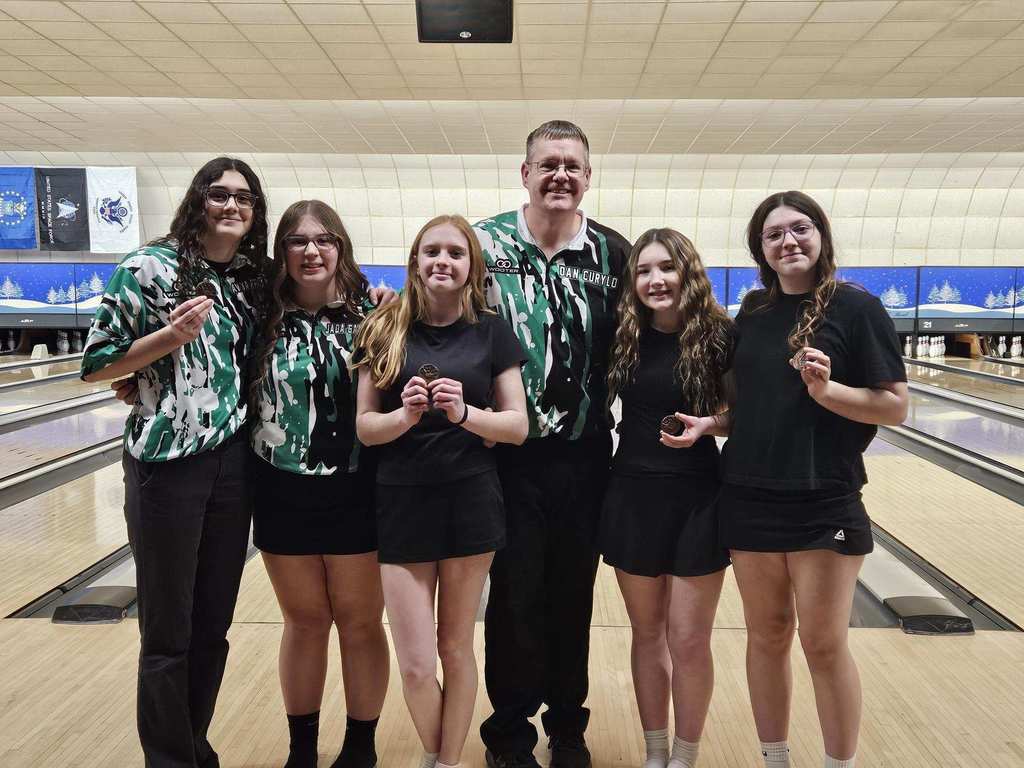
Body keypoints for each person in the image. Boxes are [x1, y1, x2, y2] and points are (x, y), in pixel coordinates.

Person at [675, 191, 908, 768]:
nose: (788, 241)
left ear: (820, 234)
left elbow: (894, 406)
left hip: (822, 498)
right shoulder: (752, 314)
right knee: (768, 635)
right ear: (761, 249)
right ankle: (774, 758)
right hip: (749, 496)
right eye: (773, 234)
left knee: (824, 644)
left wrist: (828, 392)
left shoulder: (856, 310)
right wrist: (714, 424)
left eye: (799, 228)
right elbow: (749, 407)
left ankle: (838, 763)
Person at [81, 157, 270, 768]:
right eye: (219, 194)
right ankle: (169, 759)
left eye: (244, 197)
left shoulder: (253, 277)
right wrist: (167, 340)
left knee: (212, 626)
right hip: (165, 468)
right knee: (167, 632)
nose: (232, 206)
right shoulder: (147, 268)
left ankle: (192, 743)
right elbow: (97, 364)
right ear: (198, 200)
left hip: (233, 466)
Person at [473, 120, 631, 768]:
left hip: (586, 456)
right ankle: (508, 736)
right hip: (507, 457)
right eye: (548, 163)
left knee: (572, 596)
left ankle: (568, 729)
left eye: (573, 164)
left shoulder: (614, 254)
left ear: (588, 178)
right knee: (513, 599)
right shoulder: (485, 245)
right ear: (526, 174)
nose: (560, 174)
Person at [353, 214, 529, 768]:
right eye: (432, 251)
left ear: (472, 266)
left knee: (455, 648)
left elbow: (517, 426)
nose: (442, 262)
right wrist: (405, 416)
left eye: (456, 253)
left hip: (470, 500)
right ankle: (437, 754)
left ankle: (447, 763)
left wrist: (465, 413)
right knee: (415, 663)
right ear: (415, 261)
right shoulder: (382, 329)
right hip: (402, 502)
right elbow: (365, 427)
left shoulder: (492, 331)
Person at [250, 200, 389, 768]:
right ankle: (301, 750)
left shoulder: (372, 319)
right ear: (281, 251)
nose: (311, 250)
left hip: (358, 489)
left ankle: (361, 749)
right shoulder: (257, 317)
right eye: (298, 240)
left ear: (341, 249)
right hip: (281, 489)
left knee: (359, 622)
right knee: (305, 621)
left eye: (324, 239)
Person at [600, 229, 733, 768]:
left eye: (666, 268)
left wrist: (709, 426)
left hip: (699, 499)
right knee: (647, 634)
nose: (655, 280)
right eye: (643, 270)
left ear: (688, 273)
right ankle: (655, 750)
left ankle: (685, 753)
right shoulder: (624, 335)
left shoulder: (720, 335)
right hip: (632, 494)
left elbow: (742, 413)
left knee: (688, 639)